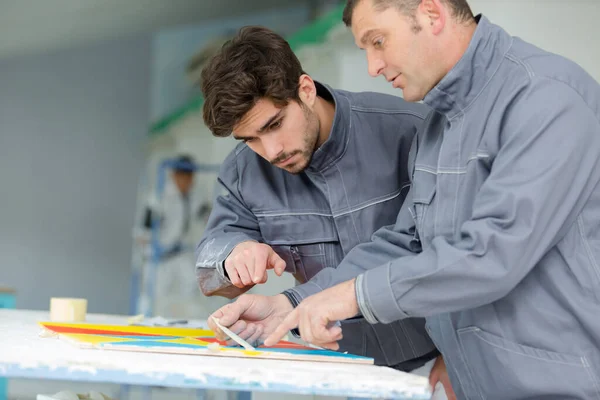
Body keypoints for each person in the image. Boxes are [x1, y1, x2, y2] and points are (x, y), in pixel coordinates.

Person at [209, 0, 600, 398]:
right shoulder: (440, 126)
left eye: (377, 41)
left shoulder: (545, 97)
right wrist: (290, 303)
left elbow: (493, 253)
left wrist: (352, 295)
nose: (373, 67)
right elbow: (407, 242)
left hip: (564, 385)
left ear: (431, 13)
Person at [195, 26, 447, 378]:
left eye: (275, 124)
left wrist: (455, 359)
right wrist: (234, 253)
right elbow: (209, 265)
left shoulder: (411, 130)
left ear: (306, 90)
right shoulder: (243, 172)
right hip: (328, 366)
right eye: (249, 139)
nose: (271, 151)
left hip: (433, 361)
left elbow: (449, 254)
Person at [136, 154, 216, 318]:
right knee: (155, 296)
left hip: (181, 252)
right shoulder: (159, 196)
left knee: (193, 286)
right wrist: (150, 248)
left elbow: (207, 215)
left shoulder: (196, 194)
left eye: (191, 177)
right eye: (184, 177)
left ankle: (192, 324)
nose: (188, 182)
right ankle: (149, 326)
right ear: (175, 175)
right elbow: (144, 230)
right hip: (159, 255)